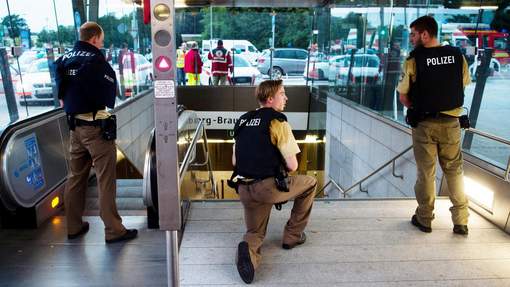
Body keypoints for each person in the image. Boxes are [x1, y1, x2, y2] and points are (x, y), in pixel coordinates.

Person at [55, 22, 138, 243]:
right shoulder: (94, 60)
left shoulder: (63, 59)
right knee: (105, 180)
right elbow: (108, 94)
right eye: (100, 39)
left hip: (74, 128)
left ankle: (73, 226)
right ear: (93, 39)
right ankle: (113, 230)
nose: (101, 43)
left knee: (75, 178)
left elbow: (61, 94)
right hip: (95, 129)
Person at [231, 80, 317, 283]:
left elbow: (235, 161)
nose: (285, 98)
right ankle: (292, 236)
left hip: (244, 189)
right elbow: (292, 165)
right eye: (282, 93)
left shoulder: (243, 120)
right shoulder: (277, 121)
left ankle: (248, 254)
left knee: (255, 232)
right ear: (270, 98)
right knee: (310, 183)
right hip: (268, 187)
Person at [396, 15, 470, 235]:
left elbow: (403, 96)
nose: (411, 38)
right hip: (452, 123)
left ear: (425, 34)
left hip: (425, 124)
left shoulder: (413, 59)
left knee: (426, 173)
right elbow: (464, 83)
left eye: (413, 34)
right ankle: (461, 221)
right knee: (455, 171)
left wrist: (416, 107)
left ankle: (425, 219)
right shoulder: (457, 56)